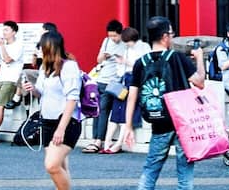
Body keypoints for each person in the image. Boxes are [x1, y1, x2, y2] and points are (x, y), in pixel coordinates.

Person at [128, 16, 206, 190]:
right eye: (171, 33)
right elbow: (200, 82)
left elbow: (132, 96)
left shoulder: (140, 63)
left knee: (151, 169)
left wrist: (128, 126)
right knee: (185, 171)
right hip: (182, 122)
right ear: (165, 36)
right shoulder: (177, 58)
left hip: (159, 123)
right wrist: (199, 58)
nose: (172, 36)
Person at [24, 27, 83, 190]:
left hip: (66, 121)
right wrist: (32, 89)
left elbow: (72, 98)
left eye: (41, 48)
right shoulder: (45, 68)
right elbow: (41, 92)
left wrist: (61, 129)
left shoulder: (69, 66)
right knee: (60, 166)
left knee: (51, 165)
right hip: (47, 120)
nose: (38, 52)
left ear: (49, 48)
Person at [103, 23, 149, 153]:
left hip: (135, 80)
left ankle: (118, 143)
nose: (126, 44)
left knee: (125, 111)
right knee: (116, 110)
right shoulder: (127, 48)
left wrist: (125, 62)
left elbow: (142, 65)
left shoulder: (143, 47)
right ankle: (107, 142)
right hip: (124, 79)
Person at [86, 20, 128, 151]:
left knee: (103, 109)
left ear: (120, 34)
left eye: (115, 36)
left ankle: (99, 140)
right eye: (110, 36)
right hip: (101, 80)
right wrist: (104, 56)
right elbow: (98, 60)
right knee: (97, 110)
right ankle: (95, 139)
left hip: (113, 82)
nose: (112, 38)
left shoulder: (126, 44)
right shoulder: (106, 41)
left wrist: (118, 57)